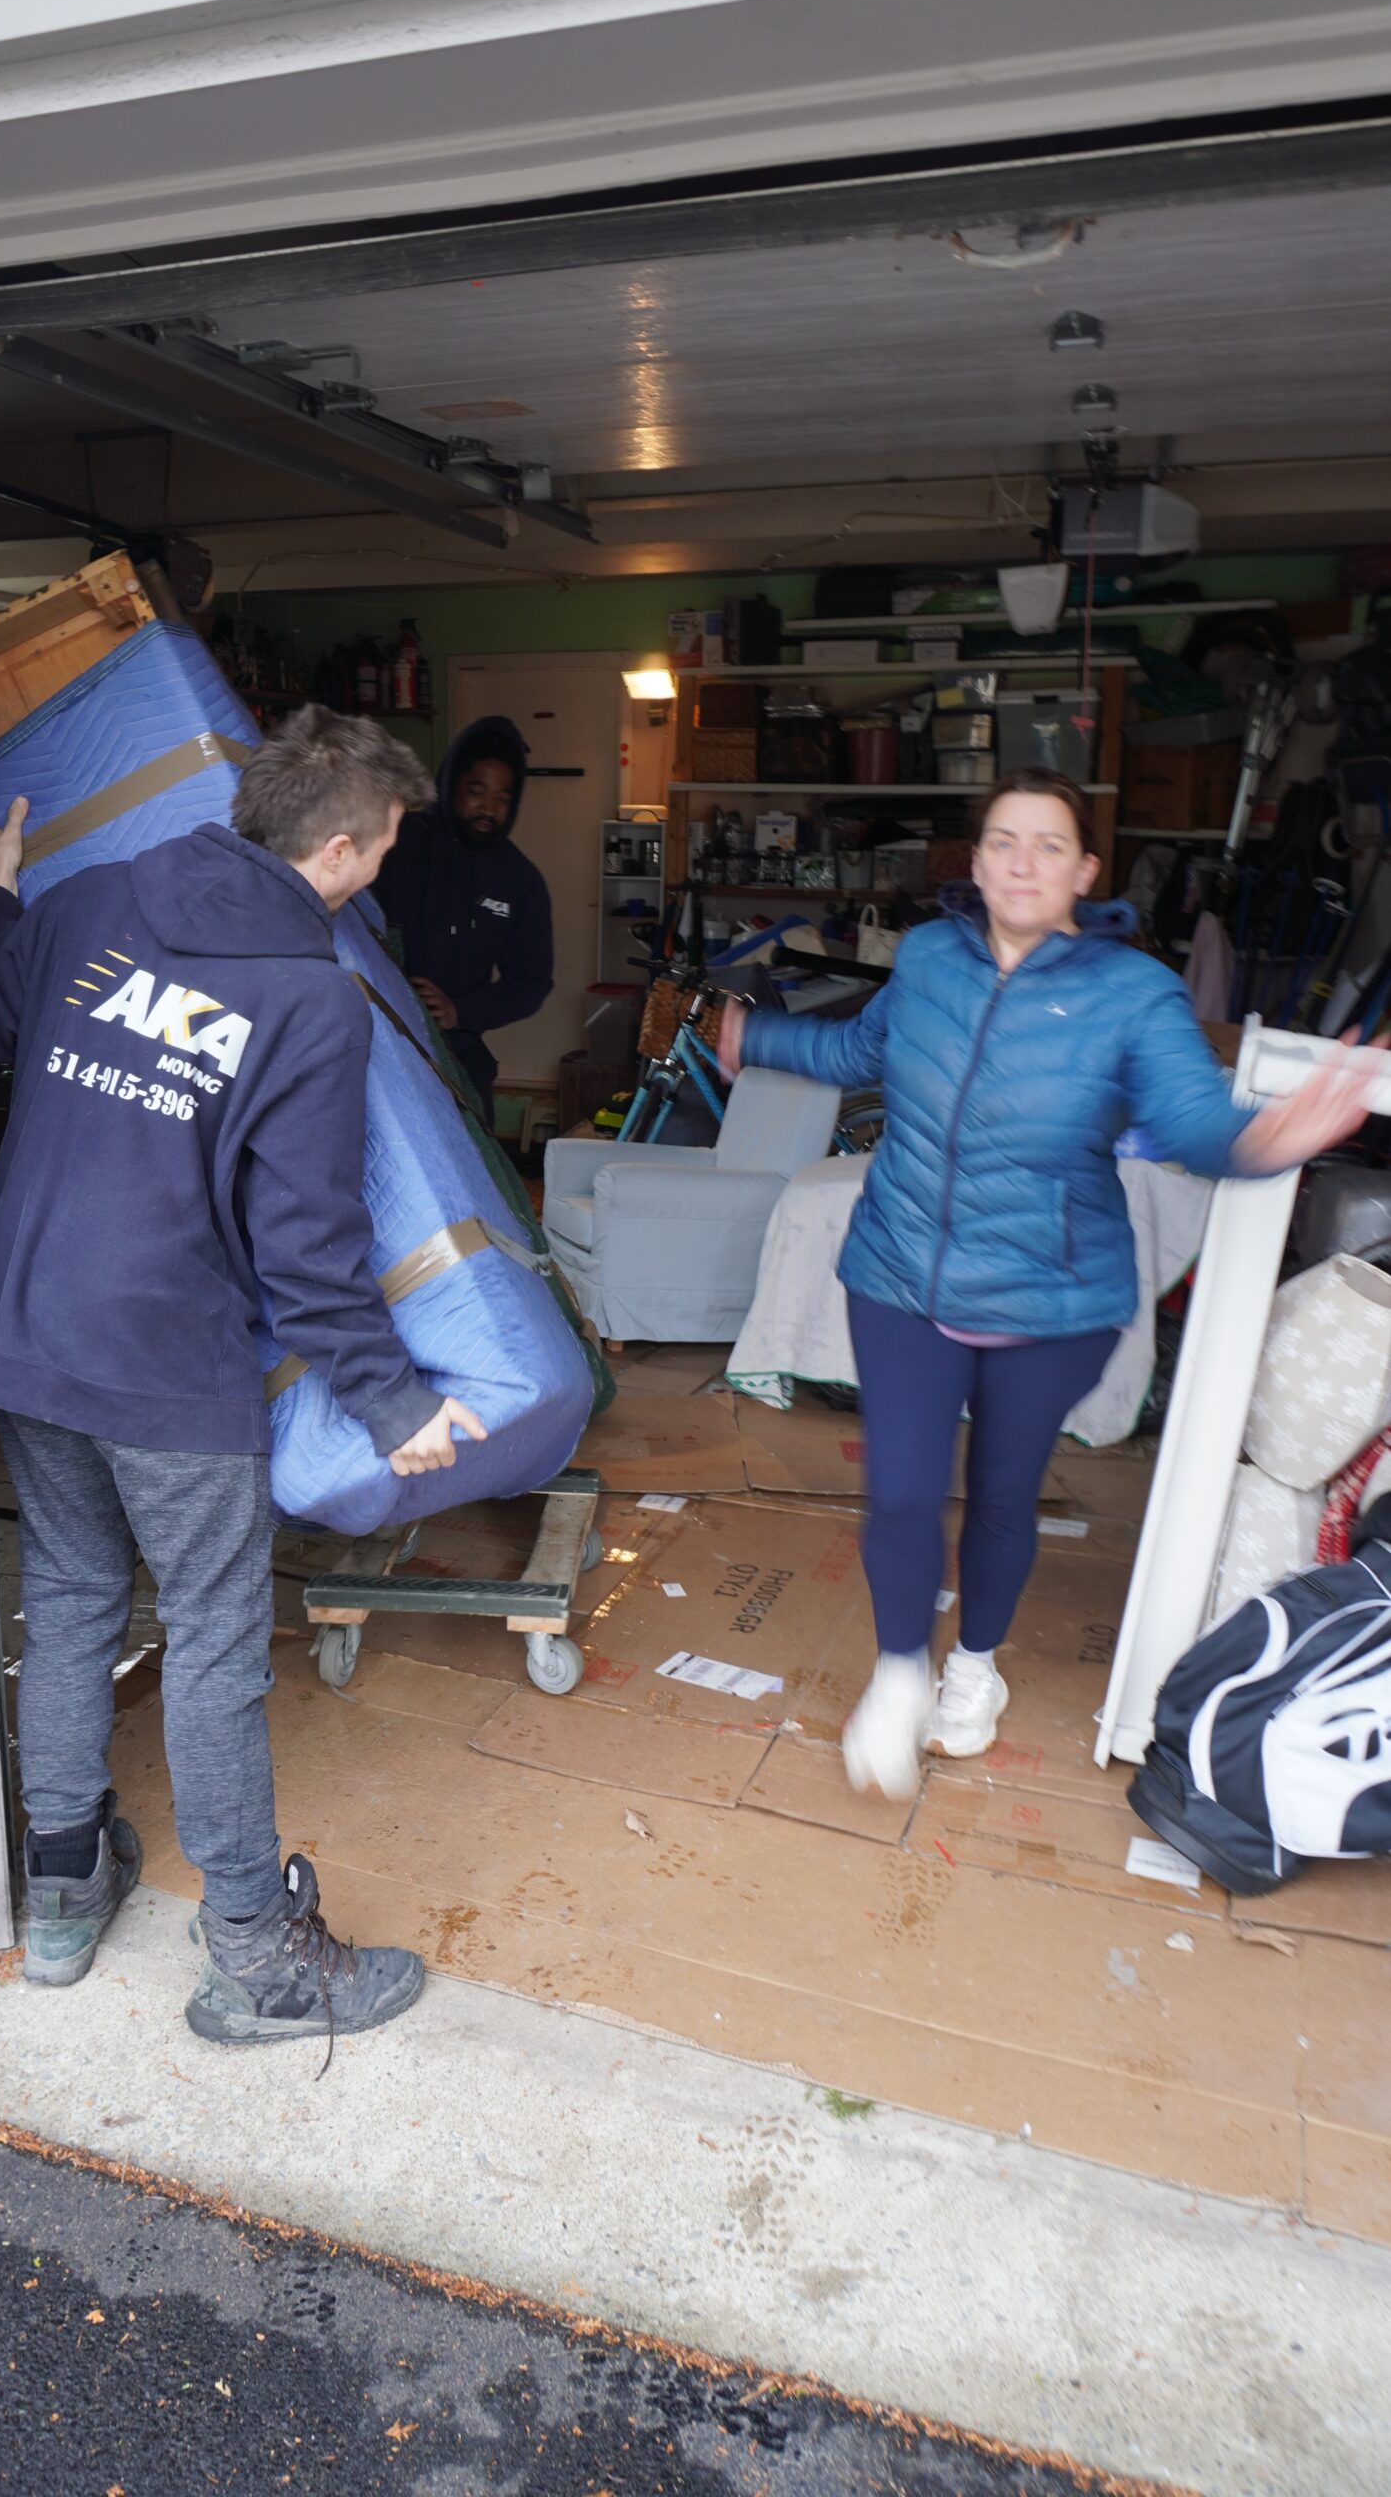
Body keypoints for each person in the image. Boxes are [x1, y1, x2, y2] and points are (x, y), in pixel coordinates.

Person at [0, 705, 487, 2046]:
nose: (377, 869)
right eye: (381, 848)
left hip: (27, 1327)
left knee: (73, 1595)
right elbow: (307, 1245)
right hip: (161, 1358)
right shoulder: (313, 1000)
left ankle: (64, 1891)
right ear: (345, 853)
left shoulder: (88, 899)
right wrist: (396, 1404)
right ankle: (257, 1953)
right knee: (209, 1634)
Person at [718, 768, 1383, 1799]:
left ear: (1084, 869)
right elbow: (859, 1045)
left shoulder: (1133, 991)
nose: (1021, 861)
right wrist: (754, 1035)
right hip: (901, 1273)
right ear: (975, 863)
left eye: (1046, 844)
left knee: (999, 1493)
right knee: (899, 1490)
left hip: (1051, 1298)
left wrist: (1265, 1141)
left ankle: (973, 1669)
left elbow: (1194, 1123)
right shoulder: (931, 957)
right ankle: (902, 1672)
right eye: (1001, 841)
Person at [374, 716, 554, 1124]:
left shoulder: (520, 881)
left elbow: (530, 983)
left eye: (503, 797)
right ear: (451, 784)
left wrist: (461, 1011)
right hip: (378, 1048)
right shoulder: (396, 843)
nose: (489, 808)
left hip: (459, 1057)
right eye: (477, 791)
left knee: (478, 1174)